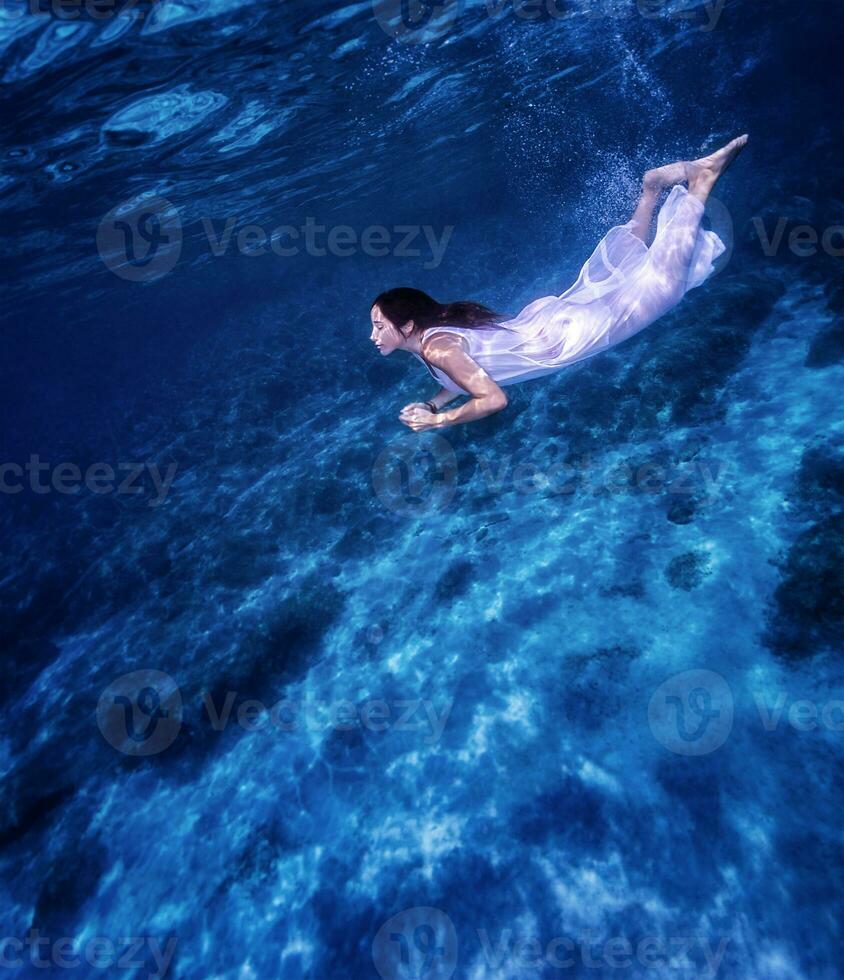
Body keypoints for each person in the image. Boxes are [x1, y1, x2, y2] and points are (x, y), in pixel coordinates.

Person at [369, 135, 748, 432]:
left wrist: (440, 422)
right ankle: (650, 190)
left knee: (663, 286)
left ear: (406, 326)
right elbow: (459, 379)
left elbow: (493, 399)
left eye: (379, 325)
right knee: (626, 272)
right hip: (552, 327)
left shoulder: (438, 350)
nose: (373, 335)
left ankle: (699, 183)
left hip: (569, 338)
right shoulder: (434, 345)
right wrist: (435, 403)